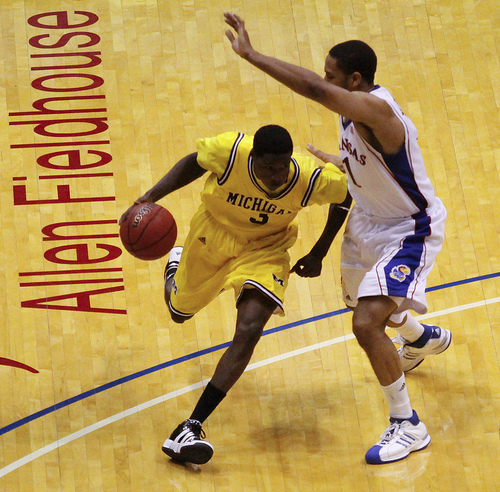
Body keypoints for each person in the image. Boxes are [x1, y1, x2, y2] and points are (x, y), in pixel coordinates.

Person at [224, 13, 451, 464]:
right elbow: (373, 161)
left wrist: (251, 55)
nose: (325, 81)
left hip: (410, 229)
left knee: (366, 323)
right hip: (367, 220)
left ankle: (407, 425)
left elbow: (313, 89)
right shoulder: (355, 113)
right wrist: (342, 161)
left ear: (354, 80)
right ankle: (418, 337)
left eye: (332, 76)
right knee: (369, 307)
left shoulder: (378, 111)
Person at [120, 124, 348, 464]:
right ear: (253, 158)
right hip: (212, 235)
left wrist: (320, 251)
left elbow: (345, 194)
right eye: (269, 167)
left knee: (249, 329)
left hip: (265, 250)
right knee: (178, 312)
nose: (277, 175)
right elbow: (194, 162)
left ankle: (191, 426)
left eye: (282, 167)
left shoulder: (308, 178)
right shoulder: (231, 152)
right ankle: (175, 268)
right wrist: (151, 196)